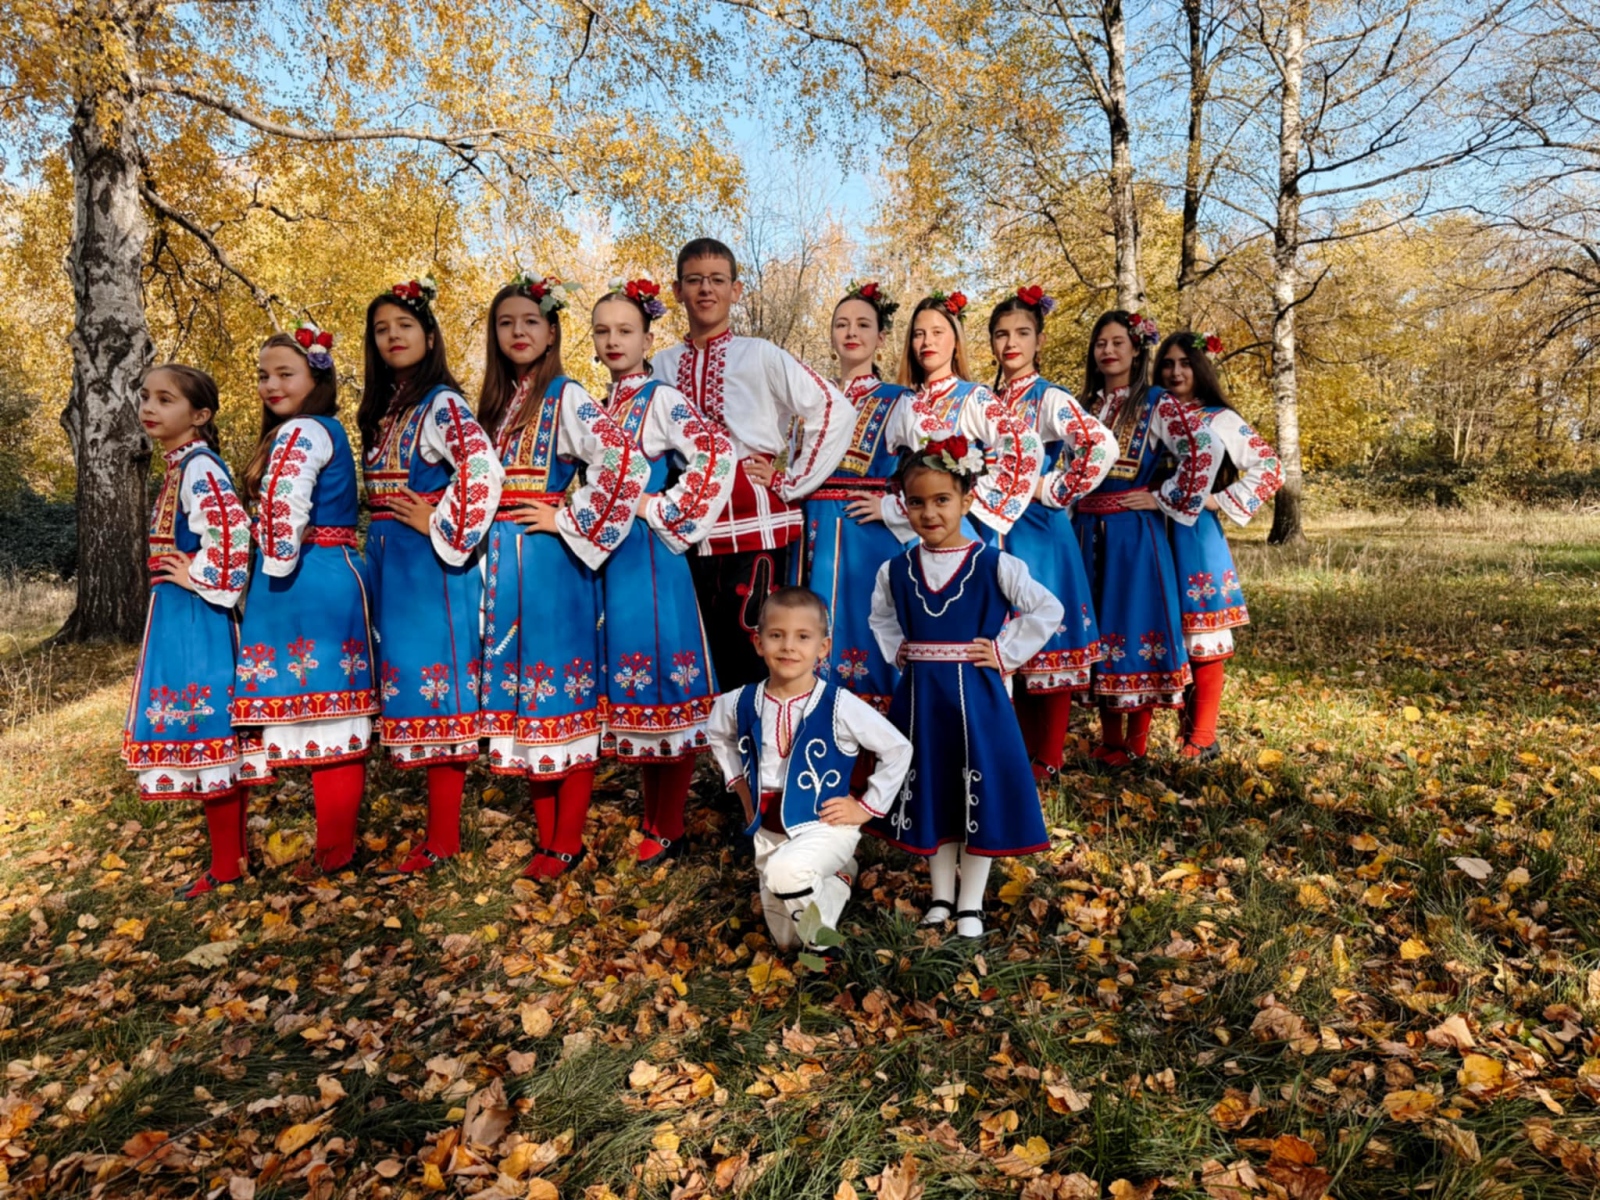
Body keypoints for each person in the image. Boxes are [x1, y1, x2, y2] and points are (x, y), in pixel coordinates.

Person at [474, 272, 649, 879]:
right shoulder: (497, 404)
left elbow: (624, 464)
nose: (518, 332)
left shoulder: (566, 394)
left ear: (551, 332)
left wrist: (568, 517)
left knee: (559, 697)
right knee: (527, 702)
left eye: (530, 321)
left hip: (551, 564)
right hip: (503, 563)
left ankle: (566, 840)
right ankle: (547, 838)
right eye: (506, 323)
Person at [865, 438, 1063, 939]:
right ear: (903, 505)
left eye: (942, 500)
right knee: (937, 791)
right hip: (922, 703)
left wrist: (1004, 651)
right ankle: (940, 896)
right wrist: (900, 650)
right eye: (916, 502)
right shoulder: (896, 570)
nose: (929, 513)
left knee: (978, 792)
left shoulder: (995, 564)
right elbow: (880, 618)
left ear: (967, 500)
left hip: (978, 702)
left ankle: (970, 904)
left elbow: (1048, 609)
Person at [651, 237, 855, 689]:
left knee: (755, 649)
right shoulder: (661, 365)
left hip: (753, 523)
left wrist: (792, 480)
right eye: (695, 280)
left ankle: (764, 734)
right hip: (685, 525)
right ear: (678, 290)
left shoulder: (760, 354)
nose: (706, 289)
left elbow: (833, 408)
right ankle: (719, 736)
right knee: (699, 650)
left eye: (717, 280)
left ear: (736, 290)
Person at [359, 276, 504, 873]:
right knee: (408, 689)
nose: (393, 336)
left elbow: (482, 468)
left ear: (429, 334)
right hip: (390, 562)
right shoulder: (386, 409)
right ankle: (434, 831)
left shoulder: (441, 403)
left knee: (438, 692)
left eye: (405, 325)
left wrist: (439, 522)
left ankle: (443, 838)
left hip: (429, 568)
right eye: (381, 329)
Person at [591, 277, 737, 862]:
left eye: (625, 330)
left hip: (650, 557)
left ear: (648, 338)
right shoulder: (599, 406)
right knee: (636, 690)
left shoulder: (661, 400)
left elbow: (716, 452)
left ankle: (668, 824)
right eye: (602, 331)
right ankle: (654, 817)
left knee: (663, 684)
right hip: (608, 558)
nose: (613, 341)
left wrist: (661, 508)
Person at [233, 325, 377, 876]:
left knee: (328, 713)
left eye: (285, 373)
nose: (271, 385)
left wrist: (271, 561)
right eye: (263, 375)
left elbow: (285, 507)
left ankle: (335, 852)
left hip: (308, 576)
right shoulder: (318, 429)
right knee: (326, 712)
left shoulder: (304, 431)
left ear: (317, 378)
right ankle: (333, 848)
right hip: (322, 570)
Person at [706, 587, 912, 954]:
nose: (788, 646)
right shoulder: (739, 702)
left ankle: (823, 950)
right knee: (785, 940)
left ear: (823, 647)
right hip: (768, 830)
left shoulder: (840, 705)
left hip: (825, 824)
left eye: (803, 637)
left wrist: (866, 807)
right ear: (758, 643)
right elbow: (718, 734)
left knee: (786, 877)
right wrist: (741, 789)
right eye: (776, 635)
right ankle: (839, 880)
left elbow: (898, 749)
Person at [122, 363, 251, 899]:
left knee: (208, 730)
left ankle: (227, 865)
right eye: (146, 397)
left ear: (200, 415)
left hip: (196, 615)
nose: (149, 408)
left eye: (165, 399)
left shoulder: (199, 467)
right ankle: (230, 860)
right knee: (204, 734)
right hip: (179, 612)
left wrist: (197, 574)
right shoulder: (181, 467)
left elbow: (233, 532)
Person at [986, 287, 1117, 780]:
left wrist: (1054, 488)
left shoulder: (1048, 397)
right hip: (997, 529)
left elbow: (1100, 445)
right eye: (1001, 334)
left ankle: (1051, 756)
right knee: (1011, 635)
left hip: (1039, 530)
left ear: (1039, 341)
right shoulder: (989, 399)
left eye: (1022, 333)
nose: (1011, 343)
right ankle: (1021, 751)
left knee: (1046, 635)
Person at [1072, 311, 1210, 767]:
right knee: (1100, 627)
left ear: (1136, 349)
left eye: (1117, 342)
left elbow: (1200, 449)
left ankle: (1136, 742)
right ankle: (1110, 738)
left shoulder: (1156, 402)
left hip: (1133, 534)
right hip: (1087, 529)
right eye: (1100, 343)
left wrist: (1162, 497)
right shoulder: (1086, 405)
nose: (1108, 351)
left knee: (1133, 625)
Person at [790, 281, 917, 714]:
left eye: (863, 324)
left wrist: (893, 507)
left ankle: (876, 744)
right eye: (841, 324)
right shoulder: (812, 404)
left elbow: (940, 466)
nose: (851, 332)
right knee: (808, 627)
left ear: (881, 338)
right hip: (811, 533)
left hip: (866, 537)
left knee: (865, 633)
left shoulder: (899, 401)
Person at [1154, 331, 1283, 759]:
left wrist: (1218, 500)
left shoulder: (1218, 418)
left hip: (1194, 534)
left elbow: (1270, 467)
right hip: (1150, 529)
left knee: (1202, 633)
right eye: (1167, 364)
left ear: (1200, 368)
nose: (1175, 372)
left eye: (1185, 364)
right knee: (1168, 632)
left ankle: (1204, 736)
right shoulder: (1152, 413)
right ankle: (1185, 731)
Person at [881, 291, 1043, 542]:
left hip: (953, 533)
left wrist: (972, 499)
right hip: (904, 532)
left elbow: (1025, 444)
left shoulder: (973, 397)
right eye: (918, 334)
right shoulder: (901, 400)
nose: (927, 342)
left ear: (956, 341)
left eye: (937, 332)